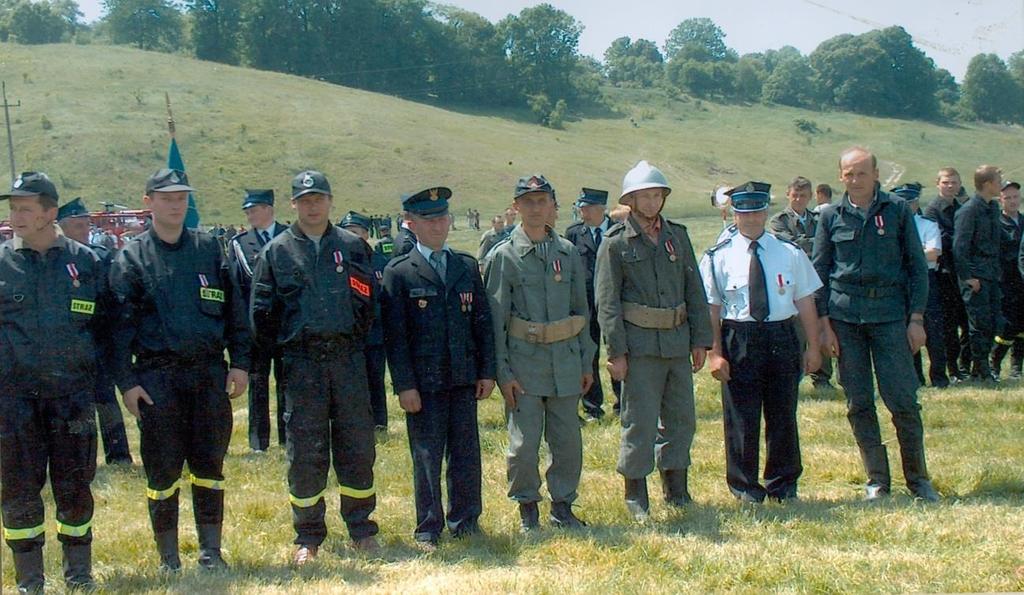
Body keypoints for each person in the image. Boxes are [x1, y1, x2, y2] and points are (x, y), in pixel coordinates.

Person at [109, 168, 251, 570]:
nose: (175, 204)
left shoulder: (209, 250)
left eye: (182, 197)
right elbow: (118, 331)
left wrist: (240, 363)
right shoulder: (131, 258)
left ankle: (211, 552)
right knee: (163, 470)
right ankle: (168, 558)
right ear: (148, 201)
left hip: (208, 376)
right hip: (158, 379)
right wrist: (127, 384)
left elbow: (235, 314)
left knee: (210, 466)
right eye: (167, 197)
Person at [250, 170, 380, 565]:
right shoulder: (276, 252)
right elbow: (262, 315)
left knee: (357, 446)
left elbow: (368, 304)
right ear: (293, 204)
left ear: (330, 201)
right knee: (305, 452)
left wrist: (348, 339)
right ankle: (307, 536)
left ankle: (362, 529)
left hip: (346, 361)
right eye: (305, 200)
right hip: (302, 366)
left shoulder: (353, 247)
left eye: (318, 198)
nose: (312, 206)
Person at [813, 147, 939, 502]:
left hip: (890, 318)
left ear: (876, 174)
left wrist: (916, 319)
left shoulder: (897, 210)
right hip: (845, 318)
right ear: (841, 176)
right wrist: (824, 325)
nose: (855, 180)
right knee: (858, 402)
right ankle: (877, 480)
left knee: (902, 400)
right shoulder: (830, 216)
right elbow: (819, 271)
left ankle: (918, 480)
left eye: (862, 173)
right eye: (849, 174)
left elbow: (917, 267)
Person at [1, 172, 105, 591]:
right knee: (20, 489)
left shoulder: (87, 262)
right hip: (14, 402)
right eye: (12, 208)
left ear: (50, 213)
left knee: (75, 485)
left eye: (25, 208)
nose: (15, 216)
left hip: (72, 400)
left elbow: (107, 329)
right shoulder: (2, 263)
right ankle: (30, 581)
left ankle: (79, 574)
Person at [595, 161, 712, 521]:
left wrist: (700, 339)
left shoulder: (678, 235)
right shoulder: (615, 244)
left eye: (657, 195)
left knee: (681, 419)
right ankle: (635, 492)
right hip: (640, 346)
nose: (651, 202)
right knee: (639, 420)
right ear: (630, 199)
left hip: (677, 342)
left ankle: (676, 487)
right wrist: (616, 351)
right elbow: (608, 302)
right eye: (644, 196)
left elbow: (695, 289)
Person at [381, 187, 495, 549]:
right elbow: (395, 338)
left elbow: (482, 324)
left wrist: (487, 371)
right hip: (424, 384)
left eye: (443, 218)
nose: (438, 226)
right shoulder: (399, 273)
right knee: (427, 455)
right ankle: (428, 525)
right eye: (429, 220)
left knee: (466, 453)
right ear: (411, 224)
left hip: (462, 377)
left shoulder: (464, 266)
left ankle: (466, 520)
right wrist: (404, 385)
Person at [485, 174, 595, 532]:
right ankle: (527, 508)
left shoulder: (568, 253)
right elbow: (496, 321)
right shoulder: (504, 256)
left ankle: (563, 505)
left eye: (542, 201)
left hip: (564, 362)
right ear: (516, 207)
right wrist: (503, 373)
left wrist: (585, 361)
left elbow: (582, 314)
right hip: (524, 365)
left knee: (567, 442)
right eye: (528, 201)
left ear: (552, 206)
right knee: (524, 444)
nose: (535, 208)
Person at [700, 181, 821, 503]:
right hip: (740, 336)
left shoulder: (789, 252)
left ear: (766, 211)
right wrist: (715, 354)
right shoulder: (717, 258)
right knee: (741, 416)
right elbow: (712, 308)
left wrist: (813, 345)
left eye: (757, 212)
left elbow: (806, 300)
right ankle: (744, 487)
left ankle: (783, 483)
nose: (752, 219)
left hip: (781, 334)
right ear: (734, 214)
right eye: (744, 213)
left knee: (783, 413)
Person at [56, 197, 133, 464]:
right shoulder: (55, 259)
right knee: (74, 405)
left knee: (105, 398)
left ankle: (119, 453)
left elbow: (111, 299)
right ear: (62, 227)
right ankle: (79, 457)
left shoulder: (100, 257)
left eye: (86, 224)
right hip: (66, 346)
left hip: (97, 340)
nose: (84, 230)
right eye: (78, 225)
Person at [228, 189, 287, 453]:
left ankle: (288, 437)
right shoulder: (239, 243)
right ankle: (258, 442)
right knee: (258, 384)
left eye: (254, 209)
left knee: (288, 384)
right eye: (247, 211)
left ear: (269, 209)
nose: (250, 215)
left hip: (286, 325)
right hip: (256, 326)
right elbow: (237, 287)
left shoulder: (289, 235)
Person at [768, 176, 833, 390]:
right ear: (788, 194)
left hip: (818, 281)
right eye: (795, 195)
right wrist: (815, 244)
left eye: (803, 195)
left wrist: (813, 245)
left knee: (822, 326)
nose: (798, 199)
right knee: (797, 333)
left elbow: (826, 244)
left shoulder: (818, 218)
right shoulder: (779, 220)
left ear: (810, 197)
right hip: (791, 283)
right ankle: (794, 377)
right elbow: (788, 243)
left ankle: (822, 377)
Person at [564, 187, 614, 421]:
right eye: (581, 208)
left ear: (601, 208)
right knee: (589, 352)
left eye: (587, 208)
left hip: (613, 301)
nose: (583, 212)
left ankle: (623, 403)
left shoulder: (617, 230)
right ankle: (593, 405)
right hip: (586, 302)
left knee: (617, 348)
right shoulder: (574, 233)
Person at [339, 210, 390, 433]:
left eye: (357, 232)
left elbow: (387, 298)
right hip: (348, 334)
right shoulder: (338, 262)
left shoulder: (381, 262)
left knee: (376, 379)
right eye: (347, 232)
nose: (353, 237)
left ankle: (379, 421)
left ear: (366, 234)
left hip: (376, 332)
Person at [892, 183, 947, 388]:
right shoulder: (892, 226)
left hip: (925, 278)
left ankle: (939, 377)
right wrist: (919, 253)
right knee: (906, 329)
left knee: (933, 329)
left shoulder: (926, 224)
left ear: (916, 204)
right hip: (901, 281)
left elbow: (934, 253)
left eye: (911, 202)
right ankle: (915, 378)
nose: (907, 206)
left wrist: (909, 255)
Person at [953, 165, 1004, 384]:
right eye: (998, 180)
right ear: (987, 184)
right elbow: (959, 247)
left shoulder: (992, 208)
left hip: (992, 274)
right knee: (978, 324)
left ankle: (979, 368)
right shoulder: (969, 210)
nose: (1001, 184)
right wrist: (968, 277)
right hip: (976, 276)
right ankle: (980, 370)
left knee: (993, 323)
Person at [925, 167, 972, 381]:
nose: (950, 186)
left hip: (961, 271)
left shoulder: (962, 208)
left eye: (954, 182)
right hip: (943, 274)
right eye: (946, 182)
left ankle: (964, 365)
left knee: (966, 321)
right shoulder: (932, 211)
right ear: (938, 184)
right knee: (948, 325)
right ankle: (951, 368)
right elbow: (942, 241)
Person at [990, 180, 1023, 378]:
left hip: (1023, 281)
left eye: (1015, 197)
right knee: (1008, 325)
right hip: (1006, 282)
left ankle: (1017, 367)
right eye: (1008, 197)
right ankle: (994, 362)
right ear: (1000, 200)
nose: (1012, 201)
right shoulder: (996, 224)